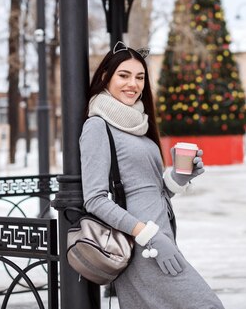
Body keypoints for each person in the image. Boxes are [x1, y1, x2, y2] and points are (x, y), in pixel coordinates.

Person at [80, 41, 225, 309]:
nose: (132, 84)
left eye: (140, 77)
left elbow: (146, 188)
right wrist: (148, 235)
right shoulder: (97, 126)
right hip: (141, 245)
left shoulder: (137, 124)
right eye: (123, 75)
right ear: (105, 77)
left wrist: (178, 179)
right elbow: (96, 199)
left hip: (160, 238)